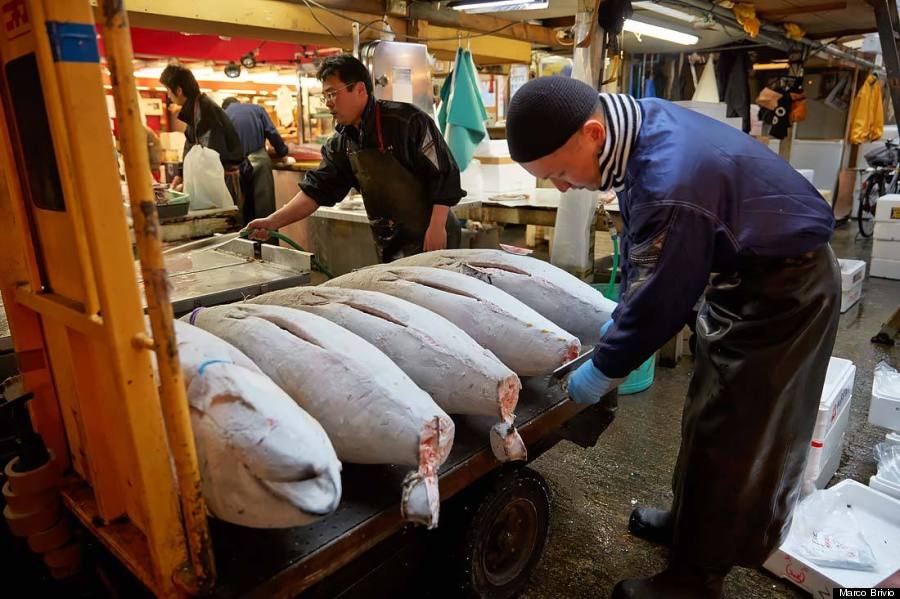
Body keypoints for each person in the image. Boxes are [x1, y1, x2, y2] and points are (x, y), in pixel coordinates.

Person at [505, 76, 839, 599]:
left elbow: (662, 301)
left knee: (736, 438)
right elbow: (651, 257)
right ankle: (692, 528)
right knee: (707, 414)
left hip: (785, 290)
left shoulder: (671, 180)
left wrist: (604, 368)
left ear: (594, 133)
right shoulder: (635, 124)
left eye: (561, 173)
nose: (562, 188)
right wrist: (622, 320)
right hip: (744, 272)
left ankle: (696, 579)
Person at [246, 54, 463, 261]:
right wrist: (273, 222)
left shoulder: (407, 121)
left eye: (332, 93)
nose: (328, 103)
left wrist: (437, 227)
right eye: (325, 96)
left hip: (433, 236)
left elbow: (444, 173)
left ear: (360, 89)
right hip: (390, 245)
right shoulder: (342, 142)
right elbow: (317, 190)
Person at [159, 65, 244, 204]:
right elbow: (190, 145)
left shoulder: (205, 111)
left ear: (179, 90)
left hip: (221, 181)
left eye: (168, 90)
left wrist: (191, 181)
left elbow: (212, 156)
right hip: (213, 178)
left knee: (225, 221)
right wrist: (181, 175)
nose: (168, 95)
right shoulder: (194, 109)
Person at [222, 97, 289, 223]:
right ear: (238, 102)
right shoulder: (257, 109)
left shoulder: (223, 115)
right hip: (260, 163)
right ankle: (267, 241)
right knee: (265, 212)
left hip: (236, 169)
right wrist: (283, 154)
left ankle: (244, 242)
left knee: (239, 213)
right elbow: (272, 132)